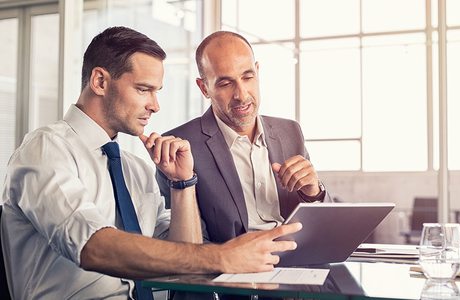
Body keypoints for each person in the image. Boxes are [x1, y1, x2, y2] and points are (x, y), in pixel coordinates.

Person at [0, 26, 301, 300]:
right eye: (144, 90)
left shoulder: (136, 168)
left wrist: (182, 184)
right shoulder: (46, 150)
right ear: (100, 81)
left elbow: (184, 264)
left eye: (156, 92)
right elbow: (93, 246)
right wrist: (221, 257)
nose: (155, 105)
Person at [157, 31, 334, 244]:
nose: (241, 94)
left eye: (247, 77)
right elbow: (183, 246)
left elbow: (326, 226)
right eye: (225, 83)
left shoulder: (290, 131)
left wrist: (313, 191)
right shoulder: (180, 146)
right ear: (204, 88)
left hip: (298, 259)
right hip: (231, 269)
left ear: (257, 72)